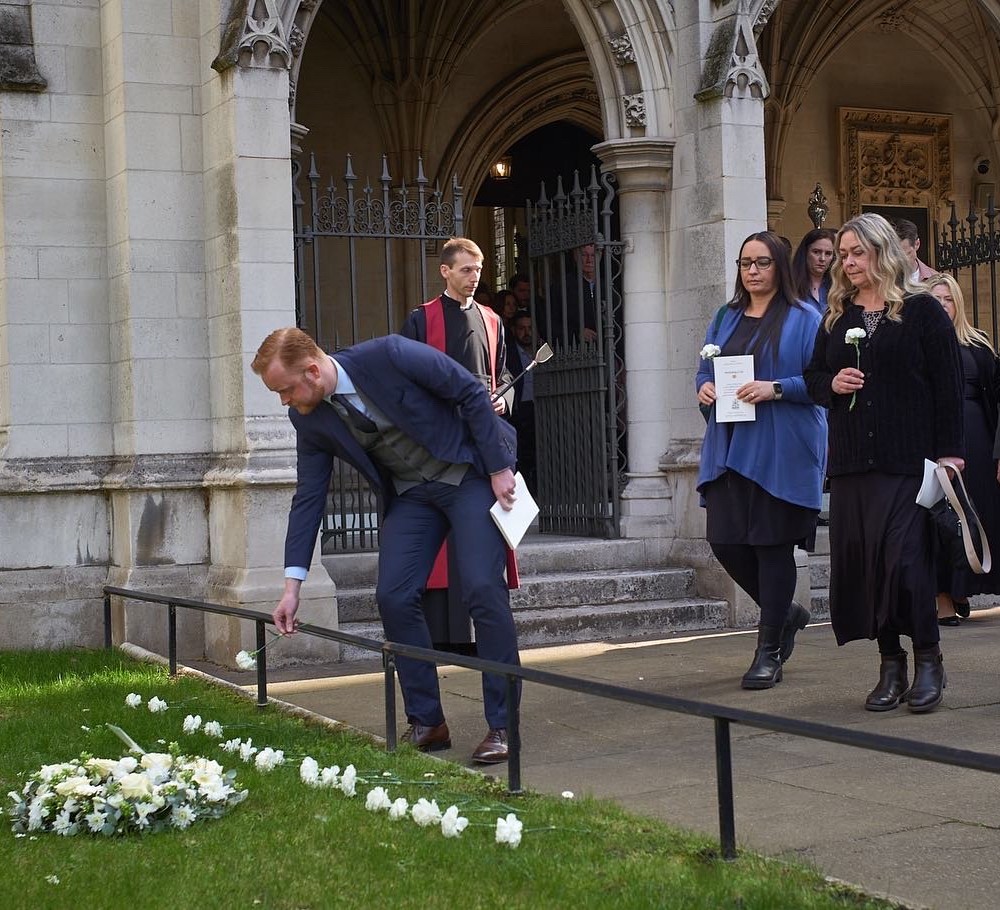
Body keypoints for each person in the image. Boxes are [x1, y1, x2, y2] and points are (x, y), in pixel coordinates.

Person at [253, 327, 520, 764]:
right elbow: (308, 498)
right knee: (393, 595)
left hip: (468, 473)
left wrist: (497, 468)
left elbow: (470, 392)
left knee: (481, 588)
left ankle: (504, 726)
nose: (284, 401)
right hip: (413, 495)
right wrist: (292, 585)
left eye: (284, 390)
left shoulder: (391, 355)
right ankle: (428, 722)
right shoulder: (308, 417)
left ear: (313, 371)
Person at [804, 213, 964, 713]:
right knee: (870, 569)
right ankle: (890, 664)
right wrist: (831, 385)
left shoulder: (921, 312)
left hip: (908, 461)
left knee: (907, 564)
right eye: (842, 254)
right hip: (853, 465)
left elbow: (949, 386)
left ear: (883, 251)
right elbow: (812, 377)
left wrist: (951, 453)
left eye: (857, 253)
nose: (847, 263)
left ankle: (929, 659)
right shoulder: (837, 315)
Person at [696, 231, 826, 690]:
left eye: (763, 263)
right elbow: (704, 369)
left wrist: (777, 388)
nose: (752, 271)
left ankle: (768, 650)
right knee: (726, 541)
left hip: (781, 446)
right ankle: (785, 613)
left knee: (772, 545)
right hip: (730, 445)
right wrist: (704, 389)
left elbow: (823, 382)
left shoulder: (806, 318)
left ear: (780, 267)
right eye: (746, 263)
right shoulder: (726, 317)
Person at [401, 237, 517, 655]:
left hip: (483, 448)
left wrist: (504, 397)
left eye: (479, 269)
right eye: (466, 270)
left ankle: (481, 637)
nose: (475, 277)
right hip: (439, 448)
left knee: (479, 549)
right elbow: (407, 383)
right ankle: (444, 636)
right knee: (441, 548)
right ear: (445, 271)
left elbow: (503, 373)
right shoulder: (421, 319)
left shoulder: (492, 320)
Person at [923, 272, 1000, 624]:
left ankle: (962, 588)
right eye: (935, 300)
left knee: (979, 515)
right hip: (935, 442)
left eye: (948, 299)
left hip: (978, 445)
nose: (942, 306)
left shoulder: (979, 347)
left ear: (959, 304)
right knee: (941, 519)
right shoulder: (918, 346)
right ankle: (943, 595)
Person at [538, 243, 599, 347]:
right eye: (584, 255)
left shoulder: (608, 284)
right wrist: (577, 333)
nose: (589, 260)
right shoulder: (561, 288)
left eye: (593, 255)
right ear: (575, 256)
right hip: (576, 353)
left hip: (608, 352)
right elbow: (548, 326)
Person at [508, 309, 538, 492]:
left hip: (541, 407)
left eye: (530, 328)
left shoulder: (542, 349)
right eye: (521, 328)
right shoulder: (509, 352)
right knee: (521, 454)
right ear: (513, 330)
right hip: (520, 409)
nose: (526, 333)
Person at [791, 228, 836, 313]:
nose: (822, 259)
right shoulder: (790, 285)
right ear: (805, 252)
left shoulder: (837, 287)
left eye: (828, 254)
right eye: (816, 252)